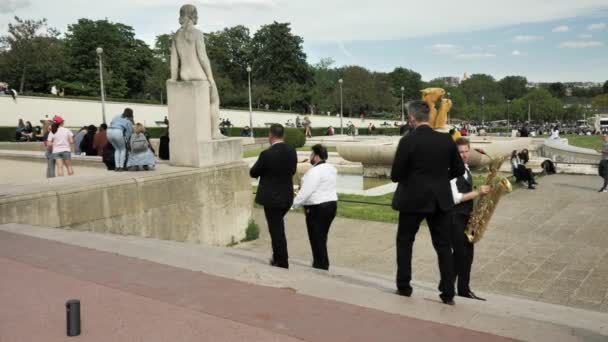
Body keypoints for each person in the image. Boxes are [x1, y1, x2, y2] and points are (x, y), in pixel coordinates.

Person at [390, 100, 465, 305]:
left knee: (405, 242)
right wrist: (439, 178)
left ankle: (404, 286)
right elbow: (458, 170)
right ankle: (448, 293)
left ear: (412, 118)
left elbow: (396, 174)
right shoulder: (446, 140)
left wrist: (413, 178)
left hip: (412, 198)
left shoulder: (407, 140)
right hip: (440, 199)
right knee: (443, 246)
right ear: (429, 117)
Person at [249, 124, 298, 269]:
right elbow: (293, 170)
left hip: (272, 198)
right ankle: (279, 257)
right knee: (278, 227)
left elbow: (253, 172)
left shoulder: (267, 154)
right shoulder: (291, 151)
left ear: (270, 136)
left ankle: (281, 261)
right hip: (287, 196)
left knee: (276, 230)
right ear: (283, 135)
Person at [450, 138, 490, 301]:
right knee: (460, 253)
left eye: (466, 151)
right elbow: (455, 197)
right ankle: (447, 285)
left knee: (468, 254)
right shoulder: (450, 171)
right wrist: (478, 193)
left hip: (468, 216)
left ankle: (464, 289)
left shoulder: (466, 169)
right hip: (454, 217)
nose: (464, 155)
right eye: (461, 152)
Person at [292, 144, 338, 270]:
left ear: (316, 156)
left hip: (317, 208)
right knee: (322, 237)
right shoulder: (331, 168)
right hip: (331, 205)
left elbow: (305, 192)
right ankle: (322, 262)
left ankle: (321, 265)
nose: (310, 157)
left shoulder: (314, 172)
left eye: (311, 154)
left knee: (316, 237)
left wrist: (293, 204)